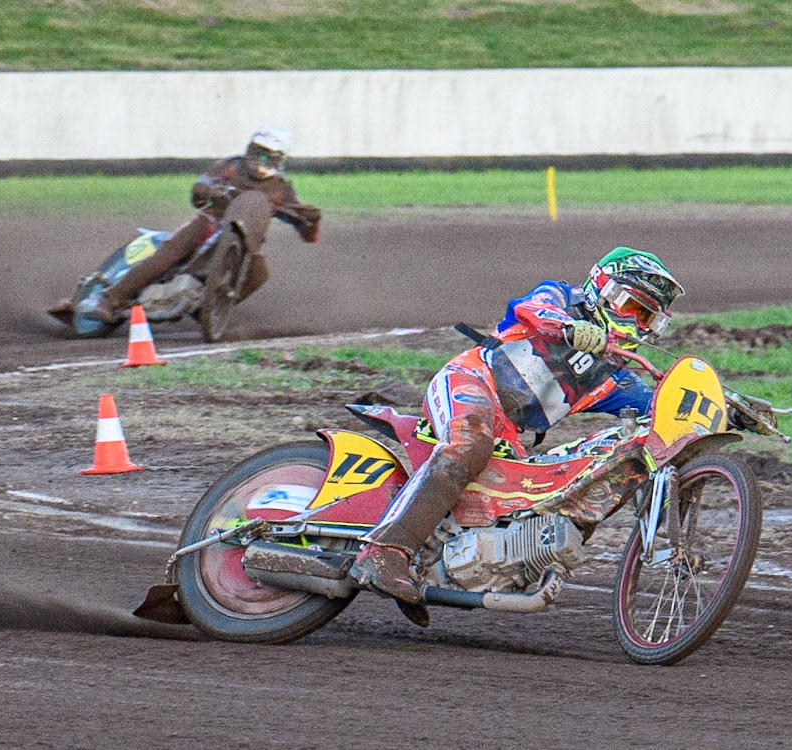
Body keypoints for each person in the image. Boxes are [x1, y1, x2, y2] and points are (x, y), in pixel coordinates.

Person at [349, 247, 685, 605]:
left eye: (648, 318)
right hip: (471, 380)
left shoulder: (615, 378)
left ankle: (469, 567)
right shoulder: (562, 298)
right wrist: (570, 327)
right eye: (634, 308)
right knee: (471, 443)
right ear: (606, 289)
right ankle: (383, 552)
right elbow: (533, 309)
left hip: (509, 431)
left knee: (541, 498)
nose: (638, 324)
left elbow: (661, 408)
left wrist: (726, 408)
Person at [92, 125, 322, 323]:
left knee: (259, 272)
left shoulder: (282, 189)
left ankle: (210, 309)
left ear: (279, 159)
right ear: (249, 148)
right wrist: (213, 190)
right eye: (257, 152)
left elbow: (308, 234)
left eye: (267, 156)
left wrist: (311, 221)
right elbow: (199, 188)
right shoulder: (231, 166)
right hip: (210, 222)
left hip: (247, 244)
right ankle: (112, 298)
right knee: (175, 248)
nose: (259, 160)